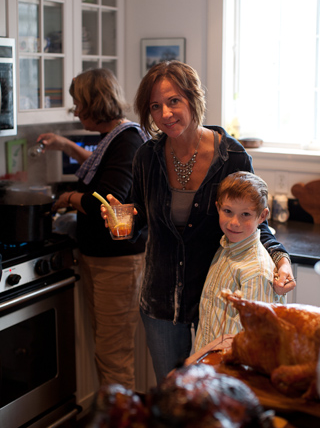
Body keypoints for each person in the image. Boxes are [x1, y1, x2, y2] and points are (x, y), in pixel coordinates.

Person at [100, 60, 295, 384]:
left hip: (221, 304)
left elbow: (254, 225)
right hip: (162, 304)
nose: (165, 114)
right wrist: (120, 223)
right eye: (155, 106)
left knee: (218, 397)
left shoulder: (232, 157)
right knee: (176, 396)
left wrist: (282, 260)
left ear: (193, 98)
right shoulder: (146, 156)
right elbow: (139, 223)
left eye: (174, 101)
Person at [37, 68, 148, 390]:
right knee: (109, 352)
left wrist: (69, 198)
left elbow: (111, 202)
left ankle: (121, 418)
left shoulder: (126, 140)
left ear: (92, 103)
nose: (75, 110)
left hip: (117, 264)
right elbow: (103, 168)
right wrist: (64, 145)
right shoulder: (118, 136)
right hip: (103, 260)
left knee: (114, 357)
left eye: (77, 102)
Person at [194, 171, 287, 352]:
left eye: (245, 214)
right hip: (210, 363)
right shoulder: (225, 248)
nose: (234, 222)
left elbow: (258, 340)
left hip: (232, 371)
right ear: (218, 208)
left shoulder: (256, 272)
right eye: (228, 211)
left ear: (262, 216)